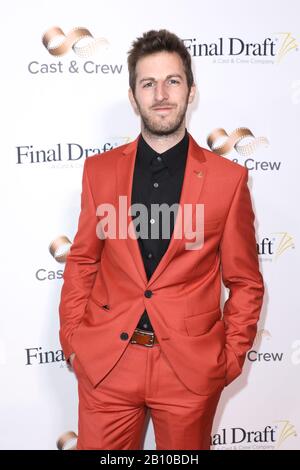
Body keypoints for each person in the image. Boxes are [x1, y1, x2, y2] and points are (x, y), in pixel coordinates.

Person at [58, 29, 264, 450]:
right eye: (148, 83)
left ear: (191, 92)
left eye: (173, 81)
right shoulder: (99, 172)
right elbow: (82, 262)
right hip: (108, 363)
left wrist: (227, 360)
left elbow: (245, 281)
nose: (161, 94)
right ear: (133, 97)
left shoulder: (229, 181)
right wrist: (73, 342)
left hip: (188, 370)